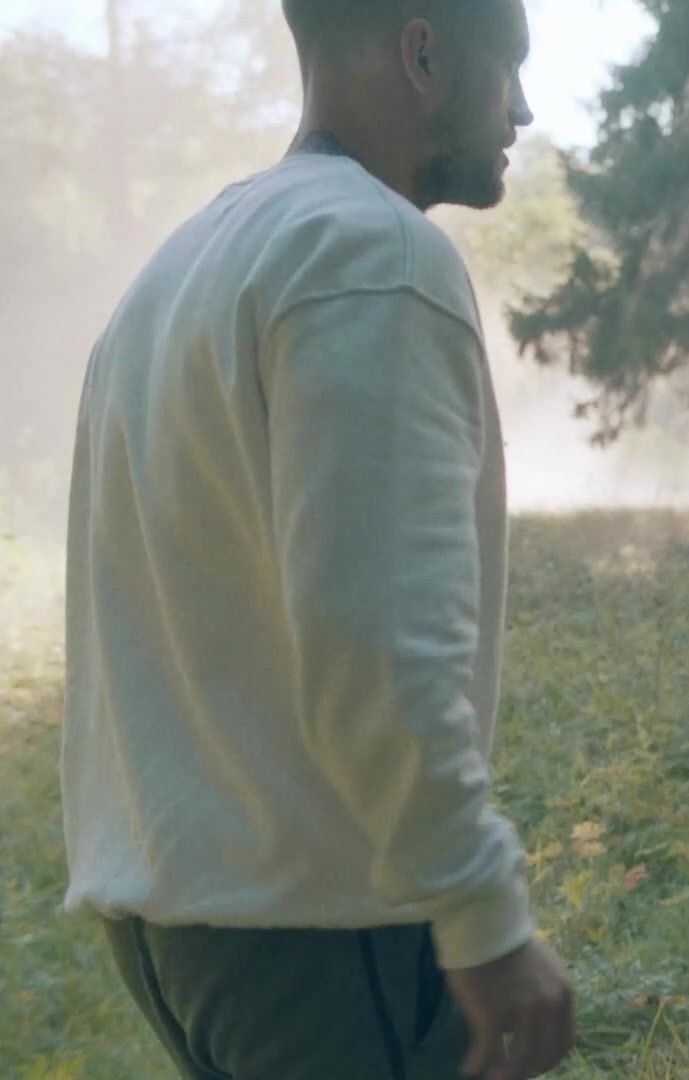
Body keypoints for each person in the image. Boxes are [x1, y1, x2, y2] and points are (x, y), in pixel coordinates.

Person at [61, 2, 575, 1077]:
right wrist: (483, 917)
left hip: (180, 934)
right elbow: (375, 638)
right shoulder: (374, 253)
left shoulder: (177, 271)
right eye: (510, 68)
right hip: (326, 943)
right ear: (423, 52)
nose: (524, 110)